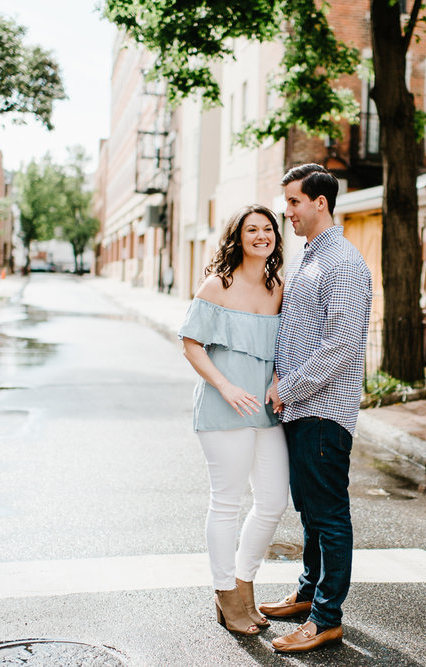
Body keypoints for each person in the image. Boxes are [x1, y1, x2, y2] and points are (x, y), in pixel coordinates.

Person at [262, 164, 373, 653]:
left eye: (293, 202)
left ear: (320, 203)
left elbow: (341, 344)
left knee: (329, 516)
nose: (287, 212)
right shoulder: (311, 257)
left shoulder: (342, 263)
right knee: (311, 513)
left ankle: (327, 618)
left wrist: (291, 387)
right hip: (303, 408)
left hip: (323, 410)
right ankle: (309, 594)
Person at [177, 205, 289, 636]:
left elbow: (279, 345)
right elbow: (191, 344)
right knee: (226, 503)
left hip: (266, 410)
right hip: (225, 409)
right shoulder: (217, 284)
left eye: (267, 229)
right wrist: (225, 386)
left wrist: (278, 377)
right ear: (237, 238)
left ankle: (244, 582)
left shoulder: (276, 284)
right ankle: (225, 593)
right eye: (252, 230)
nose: (261, 236)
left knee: (273, 500)